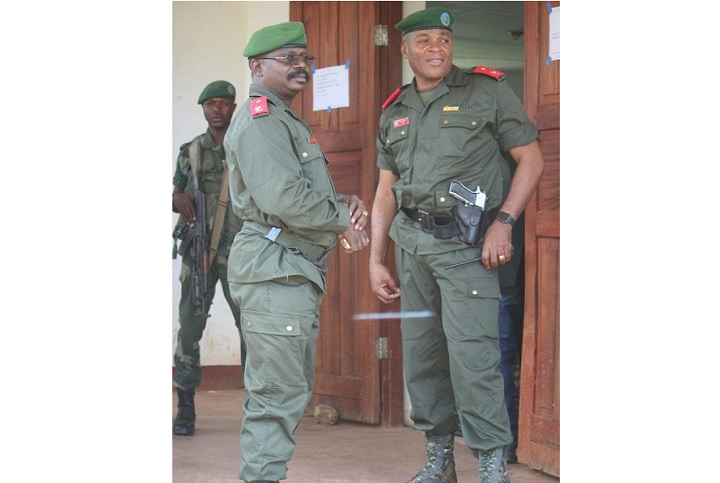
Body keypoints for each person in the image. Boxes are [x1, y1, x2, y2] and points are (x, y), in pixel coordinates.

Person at [368, 7, 544, 483]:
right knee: (423, 358)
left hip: (469, 247)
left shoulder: (487, 92)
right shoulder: (395, 110)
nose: (436, 49)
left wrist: (505, 221)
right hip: (413, 248)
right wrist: (375, 258)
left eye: (443, 40)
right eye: (423, 40)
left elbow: (531, 159)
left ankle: (490, 464)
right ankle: (438, 460)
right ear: (404, 49)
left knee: (475, 356)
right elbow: (386, 189)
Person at [223, 21, 369, 483]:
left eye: (304, 58)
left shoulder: (282, 118)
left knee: (285, 392)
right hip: (275, 270)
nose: (301, 66)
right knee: (275, 398)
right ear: (257, 66)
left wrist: (340, 200)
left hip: (287, 270)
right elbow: (284, 199)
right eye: (288, 58)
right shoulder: (261, 118)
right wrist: (346, 221)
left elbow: (291, 190)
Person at [171, 80, 247, 437]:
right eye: (210, 104)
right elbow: (177, 191)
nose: (217, 110)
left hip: (242, 253)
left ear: (234, 107)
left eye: (224, 103)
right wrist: (177, 200)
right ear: (202, 110)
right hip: (199, 253)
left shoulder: (246, 148)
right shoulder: (191, 151)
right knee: (189, 328)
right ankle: (185, 408)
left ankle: (257, 408)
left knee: (251, 329)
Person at [497, 210, 525, 465]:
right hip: (504, 279)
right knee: (502, 360)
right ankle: (507, 443)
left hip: (516, 277)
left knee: (504, 360)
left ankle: (509, 443)